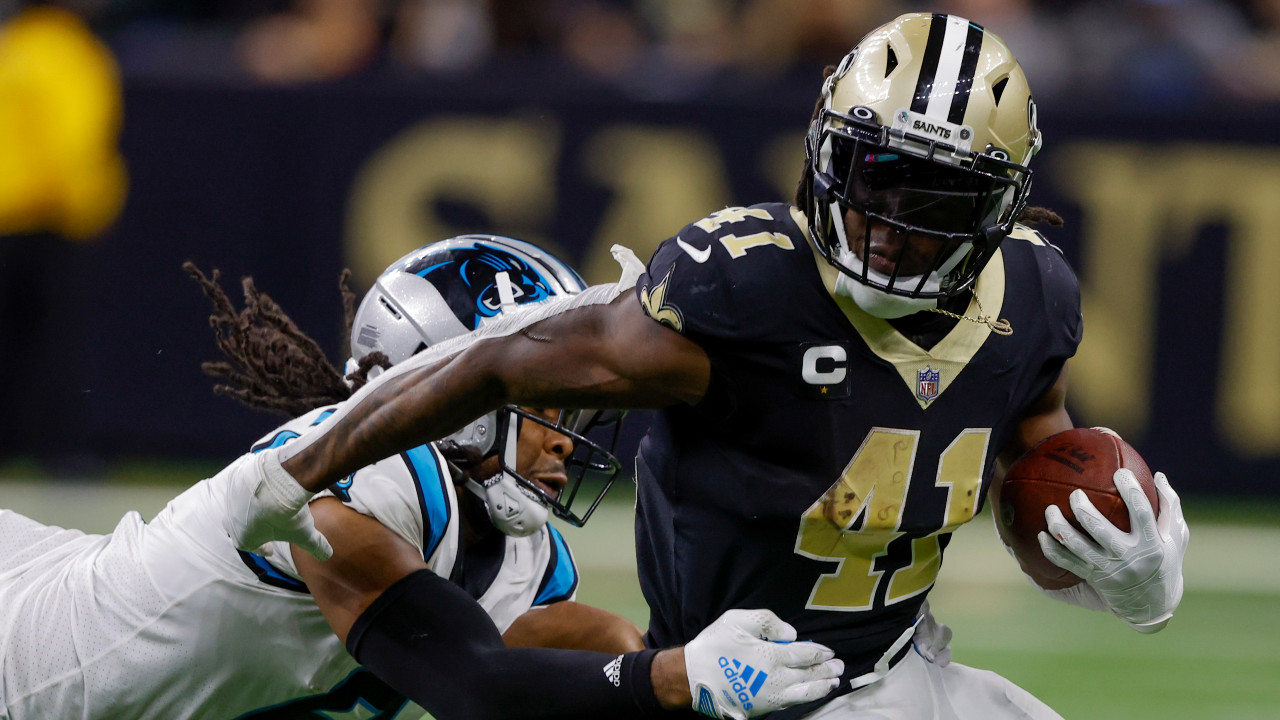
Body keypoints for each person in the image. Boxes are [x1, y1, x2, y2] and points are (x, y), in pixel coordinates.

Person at [231, 14, 1190, 720]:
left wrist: (1116, 573)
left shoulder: (1034, 299)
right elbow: (491, 363)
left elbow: (1041, 499)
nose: (891, 223)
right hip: (749, 688)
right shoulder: (747, 293)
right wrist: (300, 470)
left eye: (937, 195)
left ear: (999, 209)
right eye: (873, 176)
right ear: (823, 154)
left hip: (907, 674)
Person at [0, 236, 843, 720]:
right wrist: (682, 675)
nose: (564, 444)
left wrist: (684, 671)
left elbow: (600, 664)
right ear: (458, 395)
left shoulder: (516, 552)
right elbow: (474, 681)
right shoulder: (346, 489)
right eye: (548, 406)